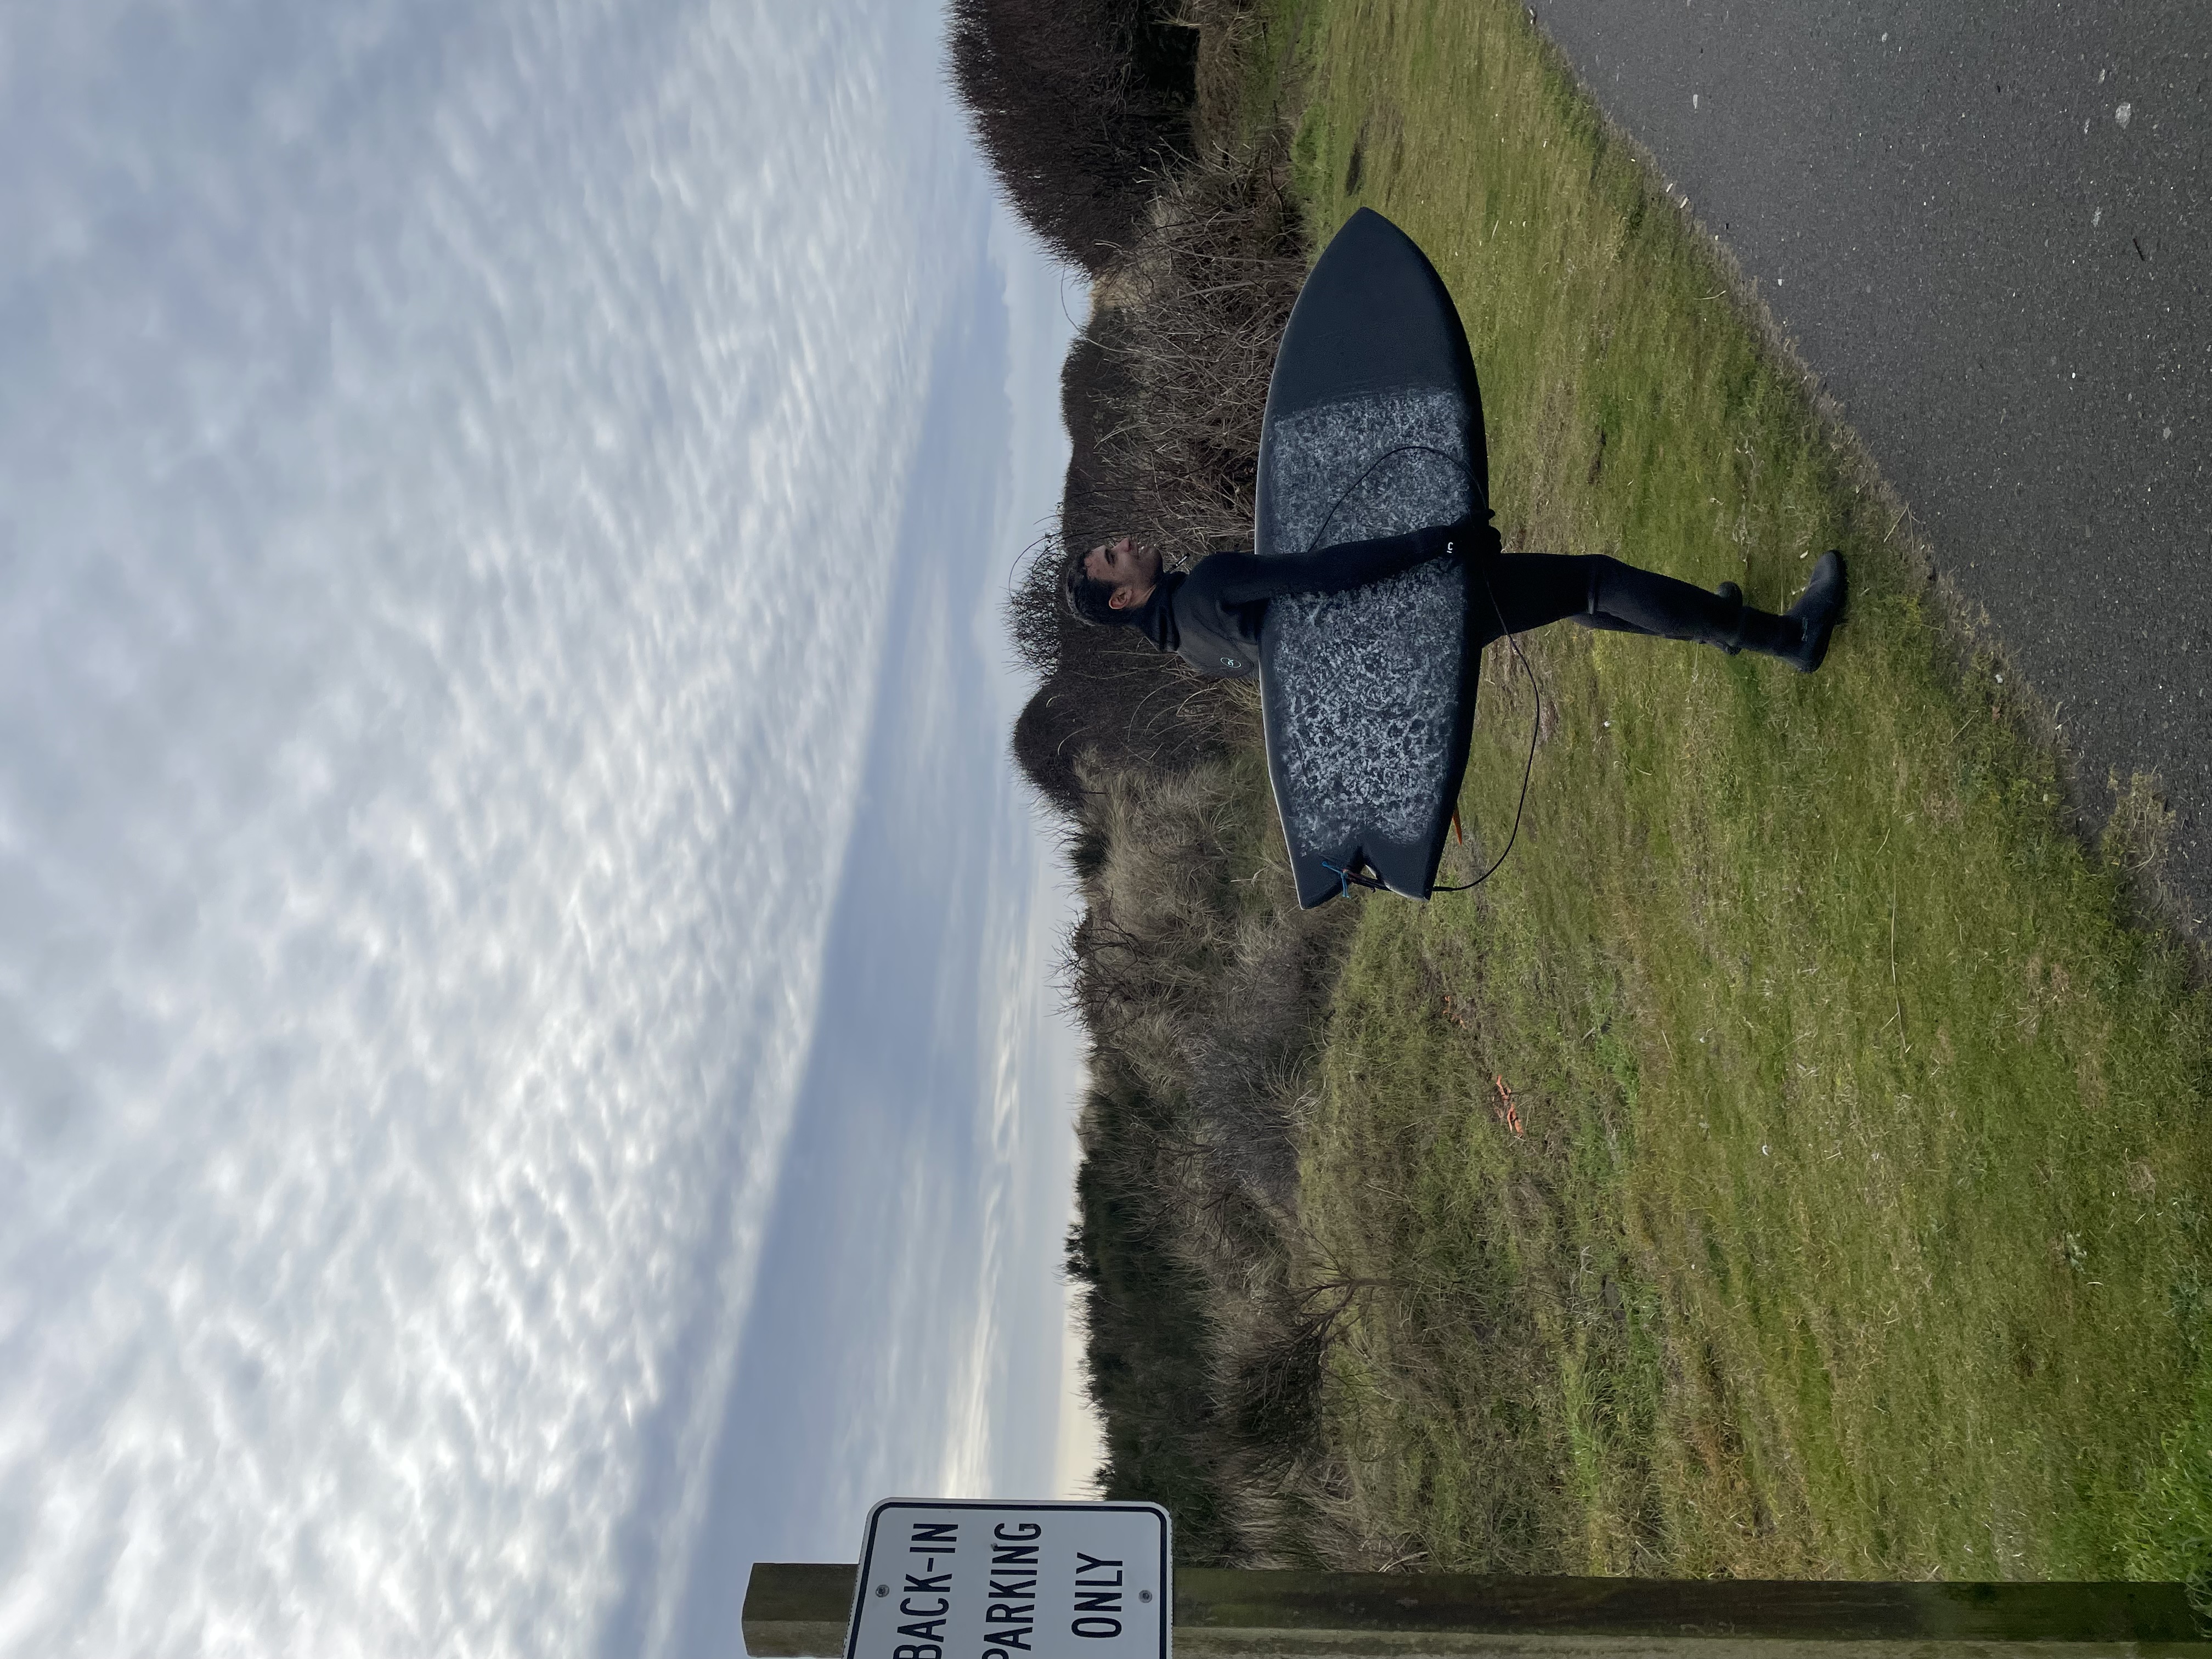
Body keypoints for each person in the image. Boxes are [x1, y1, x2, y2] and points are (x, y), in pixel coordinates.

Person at [1062, 512, 1845, 678]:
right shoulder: (1206, 589)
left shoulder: (1193, 648)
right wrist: (1437, 542)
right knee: (1593, 578)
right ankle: (1785, 637)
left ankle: (1717, 623)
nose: (1124, 543)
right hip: (1421, 606)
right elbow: (1321, 574)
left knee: (1570, 598)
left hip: (1407, 649)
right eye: (1111, 556)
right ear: (1123, 598)